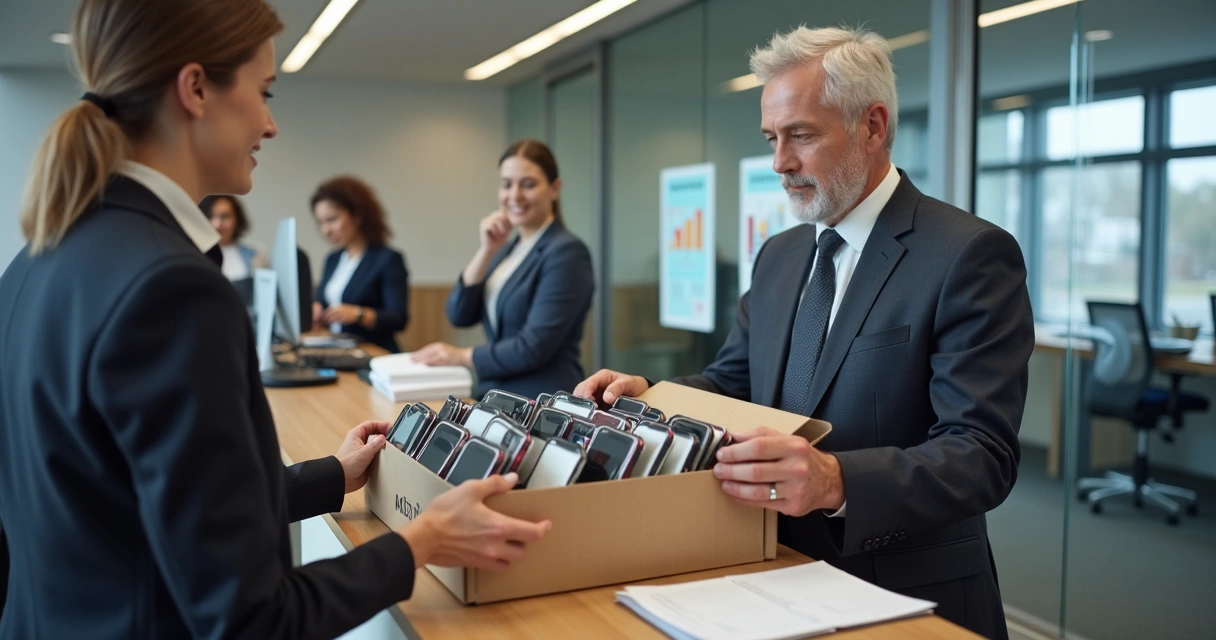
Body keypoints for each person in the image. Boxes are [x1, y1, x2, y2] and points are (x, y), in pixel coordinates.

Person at [0, 1, 549, 638]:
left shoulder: (35, 260)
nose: (271, 124)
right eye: (264, 92)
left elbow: (133, 502)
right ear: (196, 88)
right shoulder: (173, 290)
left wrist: (330, 478)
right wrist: (421, 542)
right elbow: (253, 619)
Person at [575, 26, 1033, 640]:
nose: (780, 162)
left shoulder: (968, 254)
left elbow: (983, 454)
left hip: (904, 595)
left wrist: (835, 479)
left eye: (802, 135)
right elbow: (733, 381)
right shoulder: (780, 256)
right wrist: (648, 395)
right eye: (772, 138)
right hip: (771, 572)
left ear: (873, 127)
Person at [413, 140, 594, 399]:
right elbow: (458, 314)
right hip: (499, 394)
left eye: (528, 184)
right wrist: (486, 251)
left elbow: (533, 348)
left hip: (541, 400)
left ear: (555, 189)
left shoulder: (567, 253)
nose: (515, 195)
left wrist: (461, 356)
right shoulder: (509, 250)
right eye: (506, 184)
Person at [311, 176, 410, 353]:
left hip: (373, 352)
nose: (325, 230)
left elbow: (399, 319)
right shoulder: (332, 259)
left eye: (332, 219)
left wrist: (359, 314)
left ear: (357, 216)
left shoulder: (387, 259)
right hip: (337, 350)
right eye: (321, 223)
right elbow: (324, 301)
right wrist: (317, 309)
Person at [201, 194, 266, 281]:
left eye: (225, 216)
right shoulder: (194, 254)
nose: (217, 224)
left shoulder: (255, 254)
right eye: (210, 216)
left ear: (237, 219)